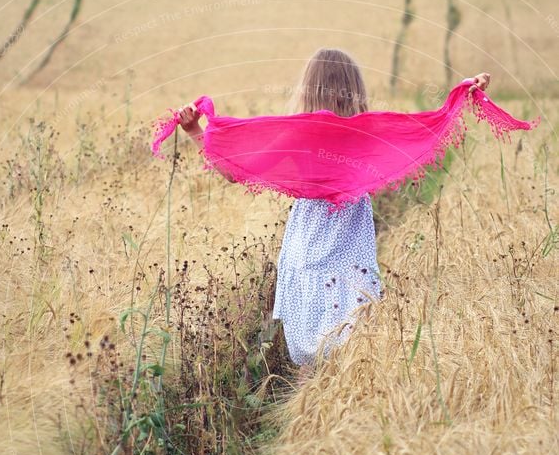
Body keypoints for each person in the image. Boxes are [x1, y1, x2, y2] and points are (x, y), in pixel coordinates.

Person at [176, 50, 491, 381]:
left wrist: (195, 131)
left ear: (307, 89)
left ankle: (307, 415)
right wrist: (464, 94)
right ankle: (341, 408)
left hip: (307, 242)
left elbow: (234, 171)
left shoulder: (295, 134)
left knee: (309, 354)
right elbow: (422, 131)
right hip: (351, 245)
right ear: (355, 88)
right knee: (353, 342)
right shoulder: (367, 134)